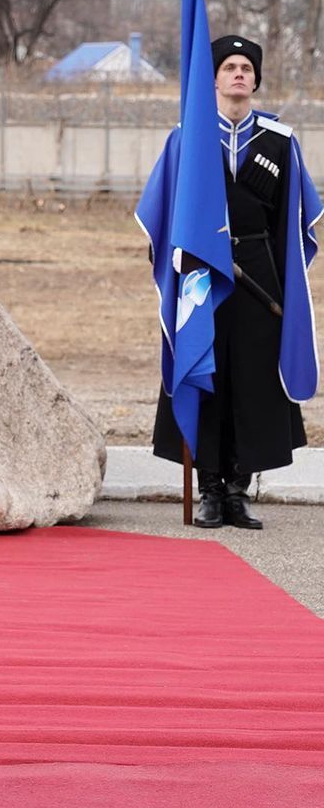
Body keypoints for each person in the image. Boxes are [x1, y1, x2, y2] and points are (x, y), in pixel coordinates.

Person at [144, 35, 321, 529]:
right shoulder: (188, 139)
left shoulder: (280, 141)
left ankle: (239, 491)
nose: (239, 74)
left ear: (256, 80)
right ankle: (210, 489)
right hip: (202, 275)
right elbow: (165, 212)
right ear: (214, 79)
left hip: (260, 276)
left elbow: (292, 220)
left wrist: (285, 283)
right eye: (229, 67)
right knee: (206, 372)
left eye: (247, 67)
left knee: (253, 379)